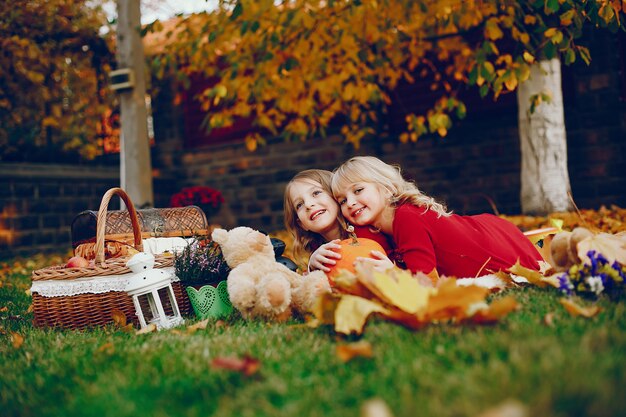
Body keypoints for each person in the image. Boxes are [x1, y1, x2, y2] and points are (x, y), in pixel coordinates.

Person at [331, 156, 544, 278]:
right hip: (481, 229)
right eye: (342, 200)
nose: (349, 202)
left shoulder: (407, 217)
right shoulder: (376, 229)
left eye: (358, 191)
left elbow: (423, 278)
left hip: (493, 252)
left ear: (386, 188)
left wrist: (393, 273)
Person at [284, 169, 392, 273]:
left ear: (337, 197)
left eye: (316, 193)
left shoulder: (364, 233)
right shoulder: (319, 250)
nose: (308, 204)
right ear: (301, 224)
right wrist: (312, 266)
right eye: (299, 204)